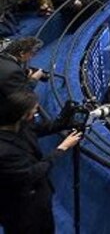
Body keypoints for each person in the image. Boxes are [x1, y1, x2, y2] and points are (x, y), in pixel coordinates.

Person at [0, 89, 84, 234]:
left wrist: (64, 121)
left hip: (39, 201)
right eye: (33, 111)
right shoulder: (4, 151)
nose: (36, 113)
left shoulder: (19, 124)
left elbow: (41, 128)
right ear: (23, 115)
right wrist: (62, 148)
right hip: (22, 210)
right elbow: (30, 174)